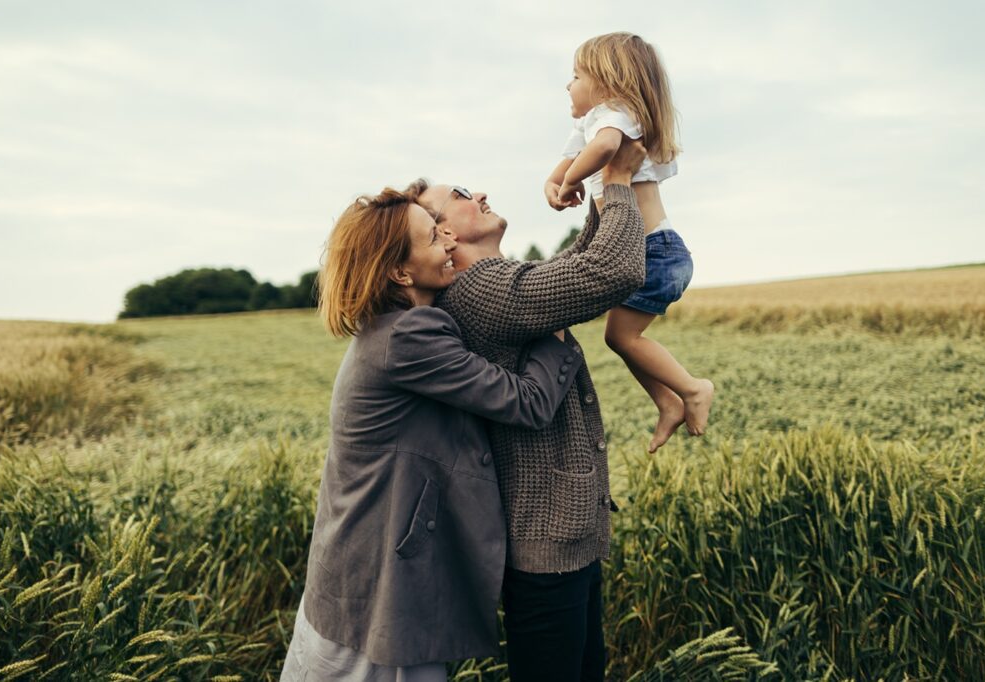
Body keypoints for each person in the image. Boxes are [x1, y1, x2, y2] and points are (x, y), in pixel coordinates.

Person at [280, 187, 584, 680]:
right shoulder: (408, 336)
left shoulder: (395, 327)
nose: (447, 239)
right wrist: (556, 326)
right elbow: (528, 403)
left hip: (361, 585)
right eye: (431, 235)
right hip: (376, 593)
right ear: (401, 272)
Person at [412, 138, 647, 681]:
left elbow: (572, 271)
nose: (483, 193)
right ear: (444, 232)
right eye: (465, 194)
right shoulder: (480, 288)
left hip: (557, 534)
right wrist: (617, 181)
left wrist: (594, 198)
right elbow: (611, 272)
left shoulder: (492, 285)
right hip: (544, 544)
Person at [545, 31, 715, 444]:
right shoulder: (591, 121)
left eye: (576, 75)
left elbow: (603, 149)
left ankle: (693, 389)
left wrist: (570, 182)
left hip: (654, 250)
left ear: (607, 81)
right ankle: (668, 402)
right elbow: (568, 160)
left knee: (622, 336)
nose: (568, 85)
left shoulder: (616, 113)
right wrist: (553, 184)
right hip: (643, 250)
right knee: (619, 337)